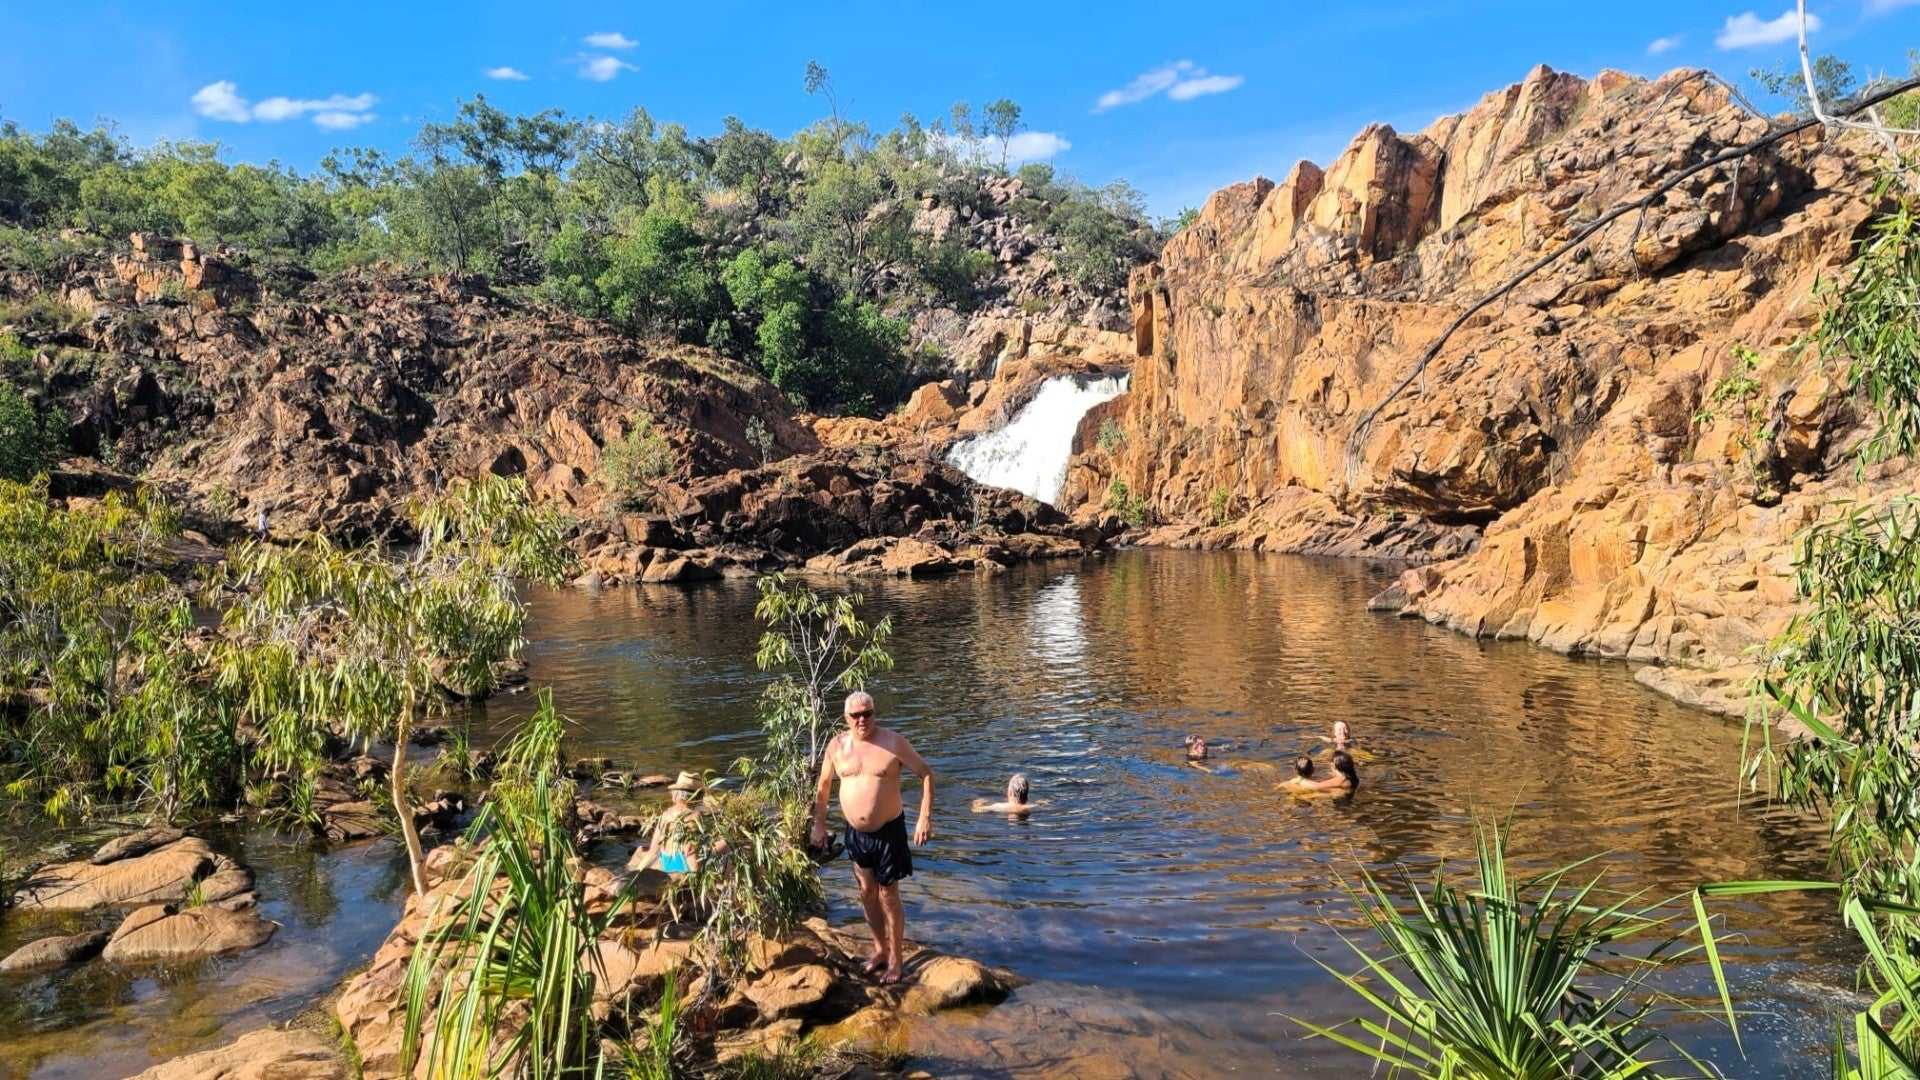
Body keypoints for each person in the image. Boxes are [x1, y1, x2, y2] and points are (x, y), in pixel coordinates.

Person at [810, 691, 934, 985]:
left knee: (888, 894)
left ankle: (896, 960)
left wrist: (925, 816)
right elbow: (824, 786)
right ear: (846, 718)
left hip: (889, 830)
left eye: (868, 713)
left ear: (874, 713)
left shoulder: (893, 742)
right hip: (856, 833)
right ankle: (880, 950)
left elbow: (926, 774)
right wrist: (819, 825)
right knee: (866, 891)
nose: (862, 719)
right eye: (856, 715)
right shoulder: (837, 746)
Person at [627, 772, 705, 877]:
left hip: (668, 864)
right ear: (698, 796)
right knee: (725, 846)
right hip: (685, 868)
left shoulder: (666, 815)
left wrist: (637, 873)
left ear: (677, 795)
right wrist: (696, 878)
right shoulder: (694, 817)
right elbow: (690, 852)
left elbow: (653, 851)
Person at [972, 773, 1042, 815]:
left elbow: (976, 810)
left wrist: (977, 803)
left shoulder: (999, 806)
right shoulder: (1033, 806)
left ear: (1010, 793)